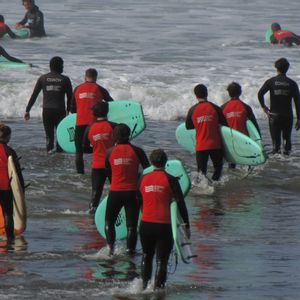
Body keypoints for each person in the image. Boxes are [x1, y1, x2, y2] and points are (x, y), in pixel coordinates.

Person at [137, 149, 190, 290]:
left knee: (146, 255)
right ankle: (158, 290)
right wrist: (186, 226)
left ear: (151, 162)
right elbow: (180, 204)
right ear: (166, 162)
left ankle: (143, 288)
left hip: (146, 225)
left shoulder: (142, 178)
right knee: (162, 260)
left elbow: (138, 200)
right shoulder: (171, 179)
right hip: (164, 226)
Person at [105, 124, 150, 256]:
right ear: (129, 134)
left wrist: (114, 182)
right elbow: (147, 171)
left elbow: (107, 172)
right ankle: (130, 251)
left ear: (115, 136)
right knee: (131, 226)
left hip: (115, 191)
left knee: (109, 221)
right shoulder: (138, 151)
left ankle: (110, 250)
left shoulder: (109, 152)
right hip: (133, 192)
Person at [24, 56, 73, 153]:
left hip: (47, 111)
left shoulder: (43, 78)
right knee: (60, 135)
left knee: (49, 136)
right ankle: (59, 157)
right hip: (60, 111)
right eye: (62, 66)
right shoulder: (65, 79)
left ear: (50, 66)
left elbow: (34, 95)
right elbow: (70, 98)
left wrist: (27, 110)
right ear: (59, 66)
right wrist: (69, 111)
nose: (63, 68)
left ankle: (49, 155)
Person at [71, 68, 113, 174]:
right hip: (95, 125)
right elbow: (111, 104)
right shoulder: (99, 89)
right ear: (96, 77)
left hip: (80, 123)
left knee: (79, 151)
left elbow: (72, 109)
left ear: (85, 77)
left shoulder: (77, 89)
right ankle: (103, 171)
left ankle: (80, 175)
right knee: (99, 149)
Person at [258, 58, 300, 155]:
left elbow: (260, 94)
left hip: (274, 116)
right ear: (287, 68)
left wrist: (263, 107)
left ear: (276, 68)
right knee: (287, 141)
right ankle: (287, 162)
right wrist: (299, 118)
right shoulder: (292, 83)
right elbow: (297, 101)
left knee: (275, 145)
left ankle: (276, 163)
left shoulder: (271, 81)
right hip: (287, 116)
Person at [185, 84, 227, 181]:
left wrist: (200, 123)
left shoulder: (192, 110)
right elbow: (225, 124)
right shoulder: (216, 108)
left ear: (195, 96)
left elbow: (188, 126)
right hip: (215, 146)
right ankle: (215, 186)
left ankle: (203, 191)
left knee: (201, 173)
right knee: (218, 169)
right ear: (207, 94)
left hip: (201, 146)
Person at [87, 101, 117, 214]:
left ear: (94, 114)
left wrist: (95, 148)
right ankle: (115, 212)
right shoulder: (114, 126)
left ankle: (92, 212)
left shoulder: (89, 128)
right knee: (116, 190)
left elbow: (85, 147)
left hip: (97, 165)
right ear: (107, 112)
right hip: (112, 164)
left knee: (96, 191)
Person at [222, 82, 261, 168]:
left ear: (228, 93)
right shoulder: (246, 107)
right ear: (240, 92)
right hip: (244, 139)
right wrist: (259, 141)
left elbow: (220, 127)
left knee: (232, 163)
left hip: (230, 140)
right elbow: (254, 125)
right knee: (248, 161)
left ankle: (232, 174)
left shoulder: (223, 107)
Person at [0, 124, 25, 242]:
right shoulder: (10, 151)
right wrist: (21, 191)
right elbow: (17, 173)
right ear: (8, 137)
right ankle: (10, 238)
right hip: (5, 187)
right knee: (8, 213)